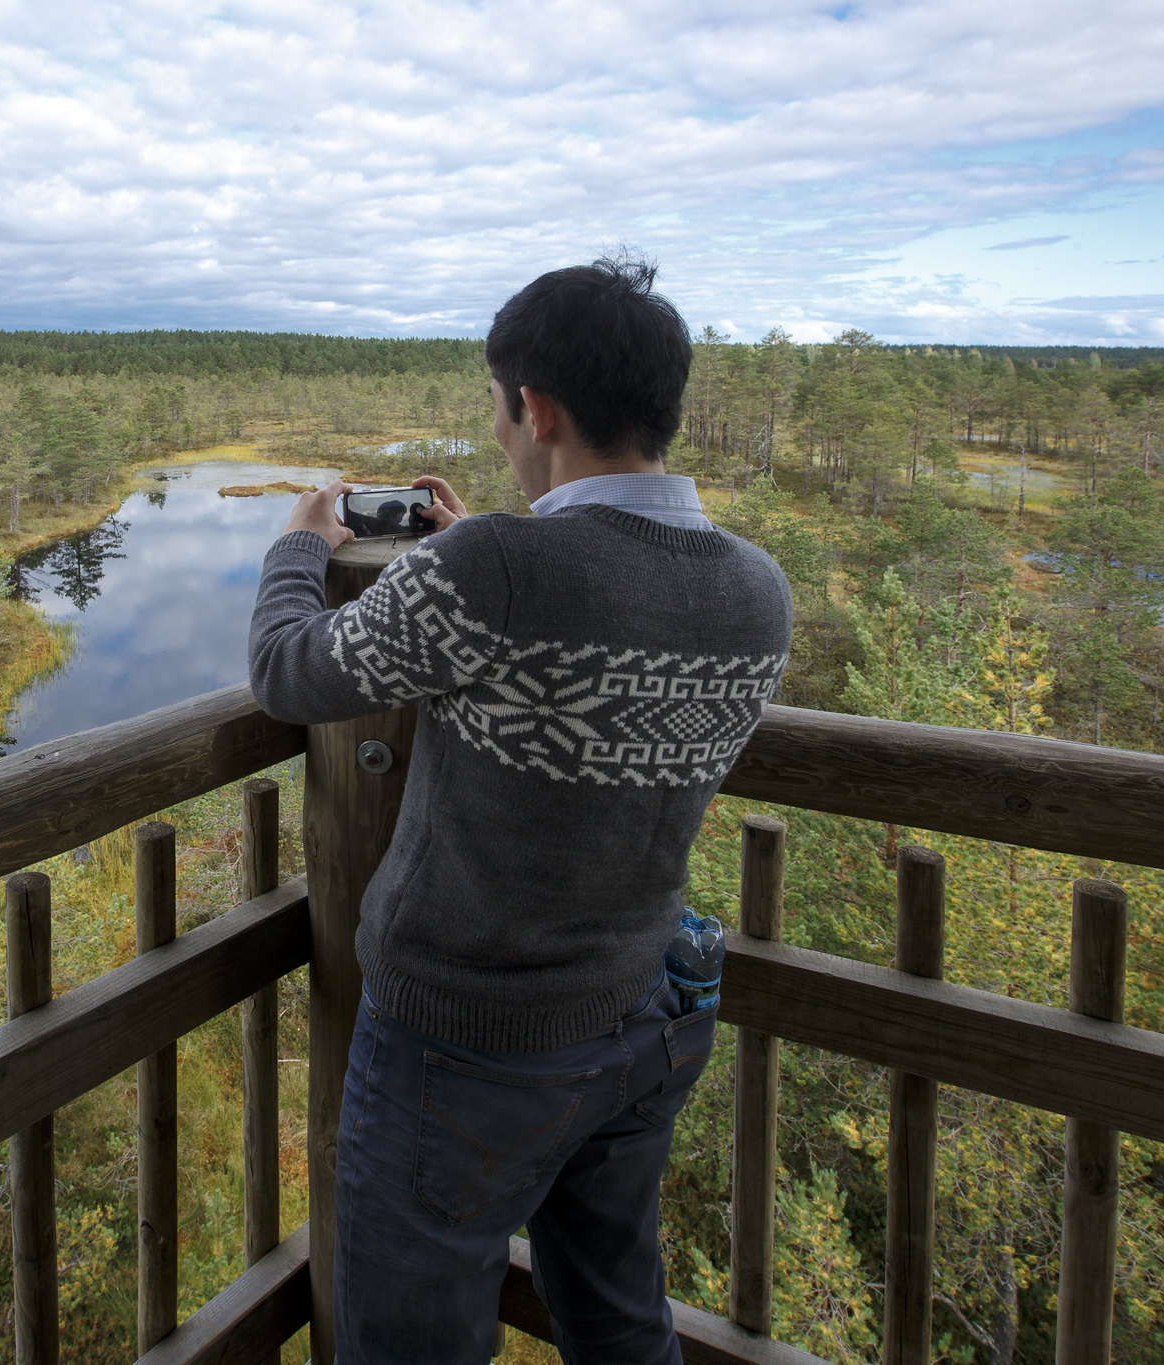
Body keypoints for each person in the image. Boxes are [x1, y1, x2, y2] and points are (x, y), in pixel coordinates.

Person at [246, 257, 793, 1364]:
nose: (496, 430)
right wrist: (473, 553)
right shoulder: (755, 585)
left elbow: (287, 673)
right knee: (618, 1318)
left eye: (498, 406)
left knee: (413, 1343)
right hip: (652, 1010)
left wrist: (303, 544)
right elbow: (589, 660)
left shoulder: (496, 565)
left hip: (468, 1043)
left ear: (532, 406)